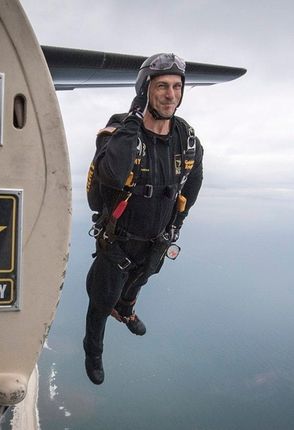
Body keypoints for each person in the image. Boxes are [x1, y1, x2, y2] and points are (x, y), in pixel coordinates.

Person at [83, 53, 204, 385]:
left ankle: (126, 308)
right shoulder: (120, 131)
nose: (171, 95)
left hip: (157, 240)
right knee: (100, 301)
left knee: (140, 280)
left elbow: (193, 181)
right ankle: (92, 350)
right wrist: (134, 118)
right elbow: (110, 177)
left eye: (177, 87)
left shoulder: (186, 137)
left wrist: (178, 221)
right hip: (118, 240)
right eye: (162, 86)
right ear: (144, 90)